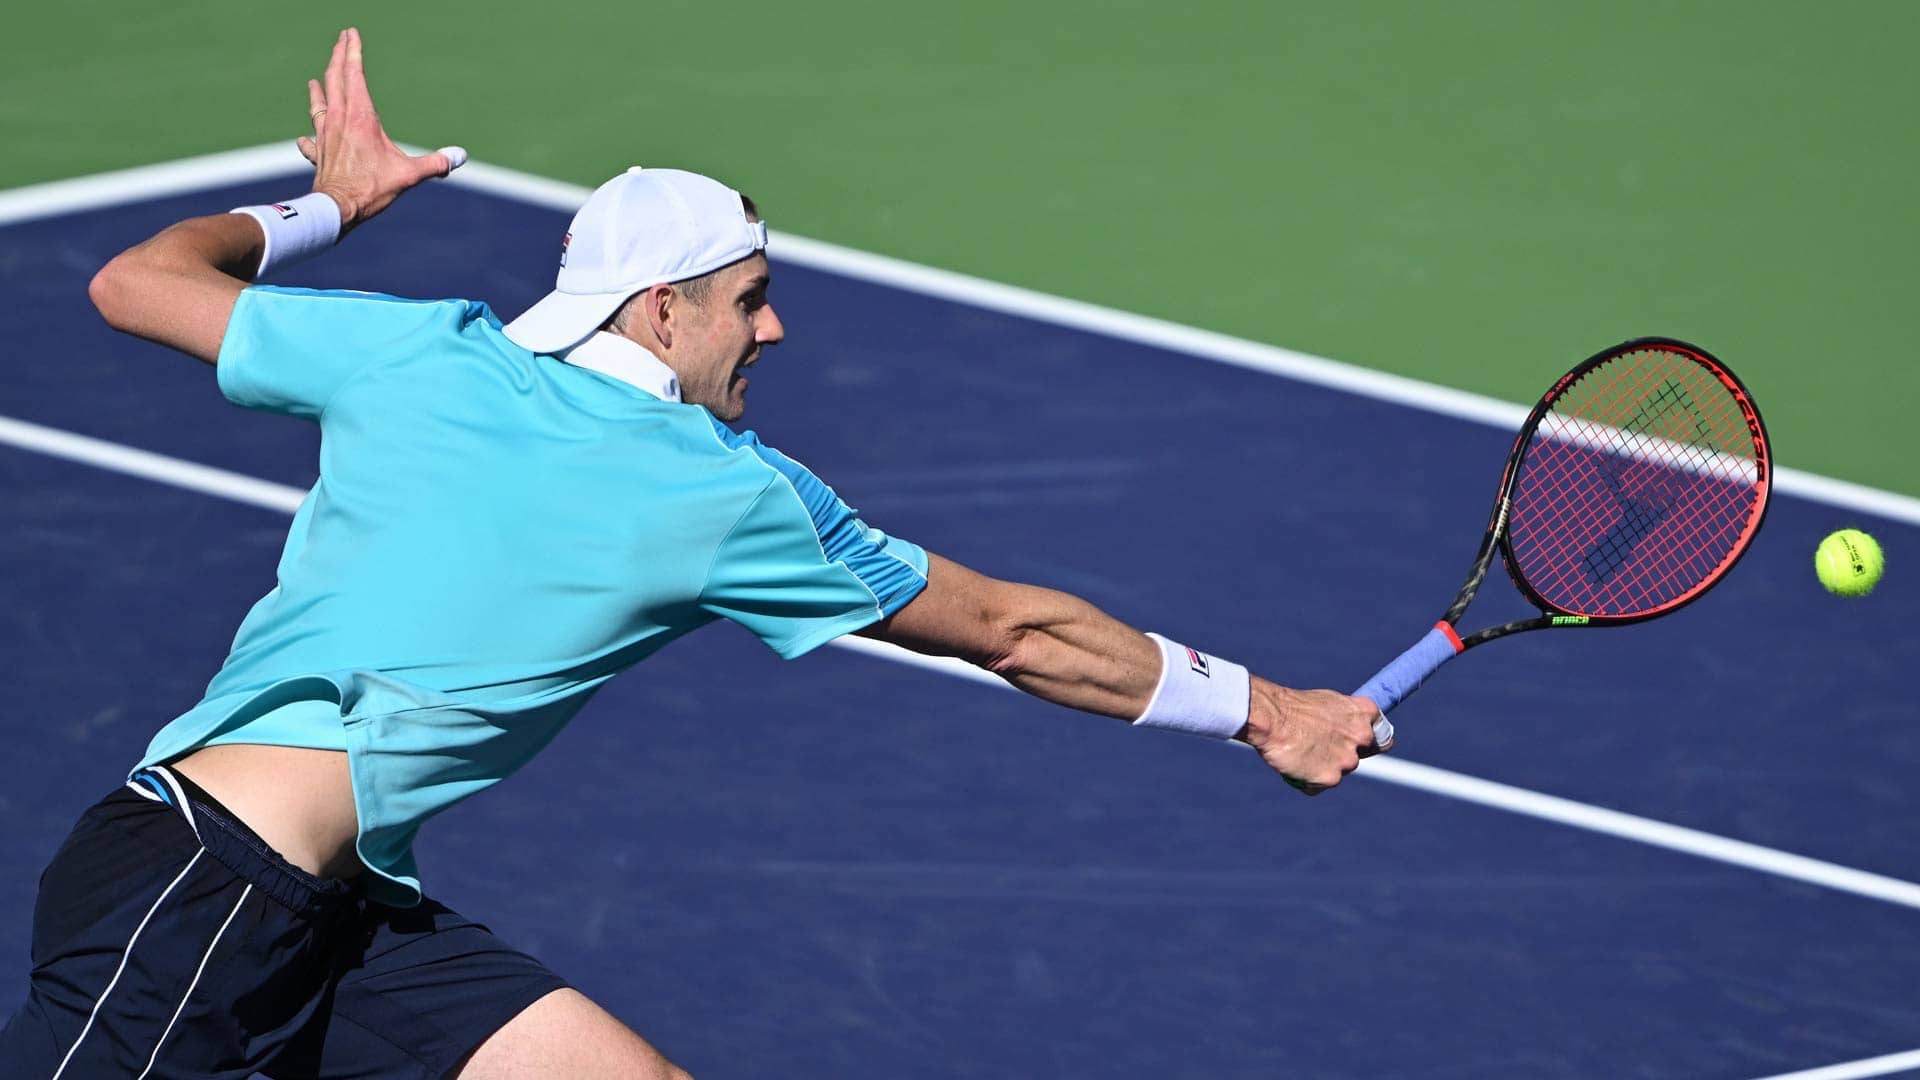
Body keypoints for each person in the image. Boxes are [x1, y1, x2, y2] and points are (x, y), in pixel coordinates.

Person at [0, 28, 1390, 1080]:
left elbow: (139, 283)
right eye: (754, 300)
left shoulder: (422, 348)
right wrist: (1273, 712)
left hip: (329, 906)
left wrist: (335, 210)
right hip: (204, 889)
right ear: (664, 311)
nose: (773, 333)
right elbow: (1015, 632)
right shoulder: (722, 492)